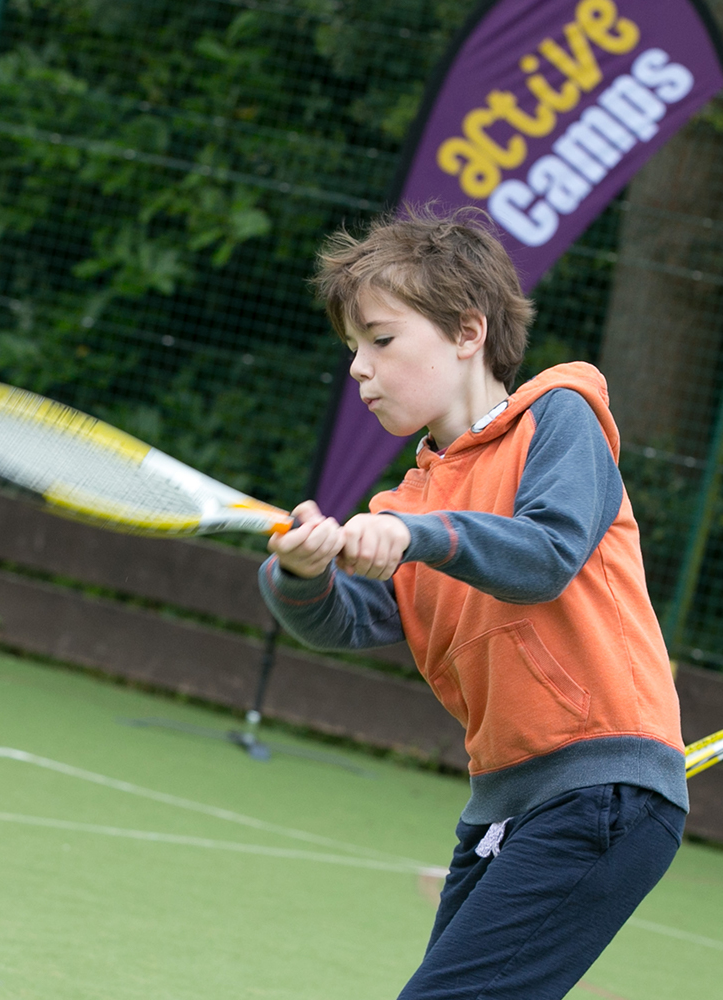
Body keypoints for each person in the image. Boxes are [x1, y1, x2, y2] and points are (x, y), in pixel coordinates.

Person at [257, 207, 688, 1000]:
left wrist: (422, 536)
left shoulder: (558, 419)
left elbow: (546, 555)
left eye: (381, 340)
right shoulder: (405, 506)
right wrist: (302, 573)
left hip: (602, 794)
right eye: (352, 348)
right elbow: (348, 619)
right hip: (504, 805)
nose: (359, 367)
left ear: (467, 333)